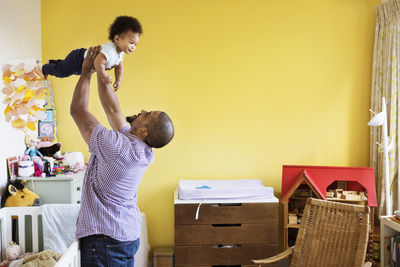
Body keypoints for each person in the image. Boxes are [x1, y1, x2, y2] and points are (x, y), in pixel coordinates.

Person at [70, 46, 174, 267]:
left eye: (147, 115)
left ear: (143, 131)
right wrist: (102, 71)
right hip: (123, 235)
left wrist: (86, 72)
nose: (143, 110)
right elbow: (112, 110)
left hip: (104, 239)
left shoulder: (117, 148)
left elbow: (78, 110)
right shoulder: (139, 148)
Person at [43, 16, 142, 91]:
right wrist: (104, 76)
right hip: (78, 59)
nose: (133, 47)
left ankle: (53, 63)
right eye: (131, 42)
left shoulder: (120, 54)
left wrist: (118, 80)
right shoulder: (110, 50)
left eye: (136, 44)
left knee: (67, 67)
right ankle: (45, 68)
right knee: (62, 72)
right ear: (117, 39)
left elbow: (119, 67)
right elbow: (98, 63)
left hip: (83, 64)